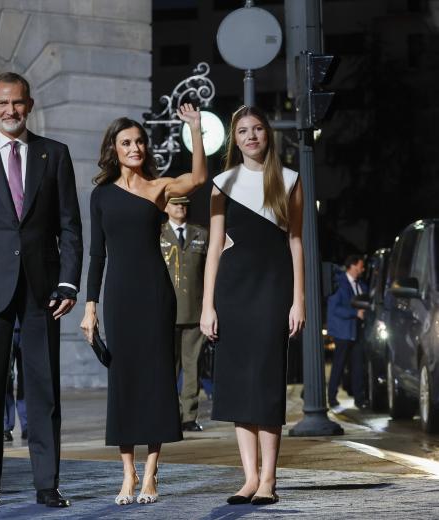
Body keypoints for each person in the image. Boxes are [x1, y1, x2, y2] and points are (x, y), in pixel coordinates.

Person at [0, 72, 83, 509]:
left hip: (44, 290)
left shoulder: (54, 154)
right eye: (3, 103)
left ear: (29, 104)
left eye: (18, 103)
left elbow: (70, 226)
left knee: (43, 389)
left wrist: (68, 281)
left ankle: (47, 483)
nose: (11, 111)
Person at [80, 106, 207, 505]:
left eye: (138, 141)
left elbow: (200, 178)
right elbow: (96, 255)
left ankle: (151, 473)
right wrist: (90, 307)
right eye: (126, 142)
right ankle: (127, 475)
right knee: (124, 382)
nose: (134, 147)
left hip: (155, 294)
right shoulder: (100, 195)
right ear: (113, 150)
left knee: (155, 381)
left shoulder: (160, 187)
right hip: (118, 296)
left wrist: (197, 130)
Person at [200, 105, 305, 506]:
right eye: (242, 131)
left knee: (265, 382)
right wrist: (208, 305)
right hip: (233, 290)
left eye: (257, 129)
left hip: (273, 289)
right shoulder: (221, 183)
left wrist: (299, 300)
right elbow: (213, 248)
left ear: (267, 134)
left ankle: (269, 481)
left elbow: (296, 243)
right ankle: (248, 479)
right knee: (239, 386)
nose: (250, 136)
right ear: (234, 138)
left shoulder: (290, 180)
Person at [161, 196, 208, 432]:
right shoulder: (157, 235)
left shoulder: (201, 235)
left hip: (195, 312)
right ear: (165, 207)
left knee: (193, 367)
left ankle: (189, 417)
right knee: (169, 367)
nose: (181, 207)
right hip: (166, 313)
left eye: (184, 204)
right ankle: (170, 414)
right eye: (176, 203)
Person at [327, 255, 368, 409]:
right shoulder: (339, 284)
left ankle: (359, 399)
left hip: (357, 332)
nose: (362, 269)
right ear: (352, 266)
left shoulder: (361, 285)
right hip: (343, 332)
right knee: (339, 364)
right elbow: (334, 308)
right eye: (360, 266)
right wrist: (355, 313)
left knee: (358, 365)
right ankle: (331, 397)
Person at [3, 322, 28, 441]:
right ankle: (5, 427)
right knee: (5, 380)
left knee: (27, 380)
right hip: (5, 324)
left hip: (27, 325)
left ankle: (28, 426)